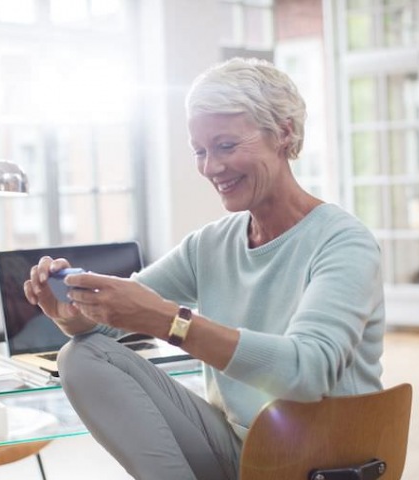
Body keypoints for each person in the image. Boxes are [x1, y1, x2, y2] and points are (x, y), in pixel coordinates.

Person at [24, 57, 385, 480]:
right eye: (200, 151)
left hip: (322, 461)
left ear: (284, 133)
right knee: (82, 356)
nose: (211, 168)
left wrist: (169, 322)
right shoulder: (211, 244)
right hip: (239, 452)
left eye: (226, 146)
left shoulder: (343, 241)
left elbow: (305, 374)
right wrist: (71, 315)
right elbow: (110, 325)